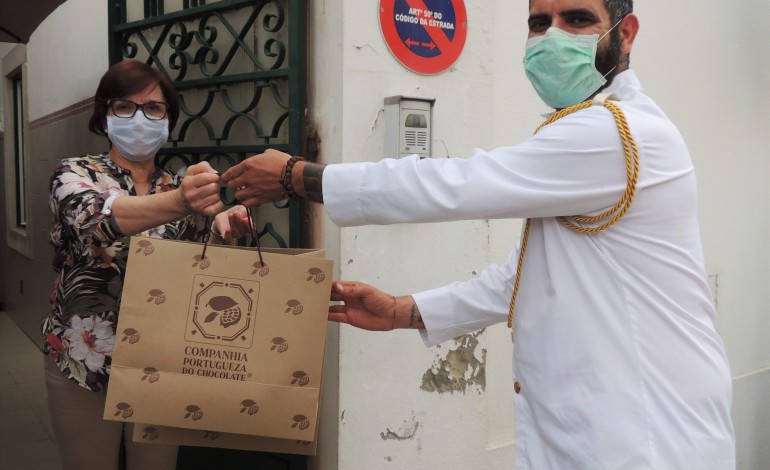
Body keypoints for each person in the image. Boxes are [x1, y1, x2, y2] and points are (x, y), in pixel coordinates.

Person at [219, 0, 736, 468]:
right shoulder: (584, 130)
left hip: (645, 438)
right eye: (539, 23)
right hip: (593, 430)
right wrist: (403, 310)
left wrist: (300, 177)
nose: (553, 36)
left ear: (626, 34)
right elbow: (521, 276)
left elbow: (460, 183)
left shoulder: (618, 133)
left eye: (577, 20)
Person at [43, 60, 243, 470]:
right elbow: (95, 217)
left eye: (154, 108)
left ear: (168, 118)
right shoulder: (75, 173)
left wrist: (224, 230)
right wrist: (183, 202)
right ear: (104, 115)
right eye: (124, 107)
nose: (140, 118)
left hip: (161, 364)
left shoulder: (178, 184)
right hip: (83, 363)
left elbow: (203, 279)